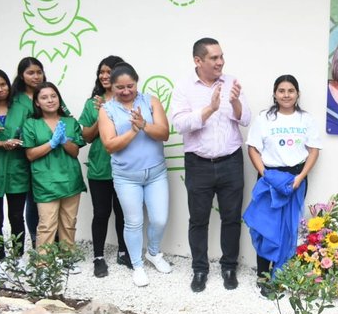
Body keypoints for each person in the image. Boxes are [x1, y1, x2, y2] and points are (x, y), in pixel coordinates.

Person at [170, 37, 251, 293]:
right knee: (198, 220)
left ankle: (229, 267)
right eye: (214, 58)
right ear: (198, 60)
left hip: (231, 162)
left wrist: (235, 102)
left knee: (231, 218)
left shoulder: (232, 81)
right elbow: (179, 124)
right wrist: (210, 109)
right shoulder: (184, 87)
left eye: (221, 56)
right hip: (198, 164)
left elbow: (246, 118)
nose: (220, 62)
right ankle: (200, 270)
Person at [243, 75, 322, 296]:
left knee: (288, 229)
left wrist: (301, 177)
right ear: (275, 94)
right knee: (266, 228)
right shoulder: (264, 119)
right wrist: (265, 175)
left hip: (295, 180)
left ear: (297, 94)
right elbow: (253, 149)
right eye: (281, 90)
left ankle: (280, 276)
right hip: (269, 180)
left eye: (290, 90)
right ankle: (263, 275)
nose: (286, 95)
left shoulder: (305, 120)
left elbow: (314, 150)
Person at [99, 63, 172, 287]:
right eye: (119, 87)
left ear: (136, 82)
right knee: (133, 222)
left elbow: (164, 133)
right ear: (112, 86)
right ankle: (137, 265)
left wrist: (144, 125)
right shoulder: (106, 110)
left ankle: (153, 252)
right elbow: (110, 145)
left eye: (130, 85)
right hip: (126, 176)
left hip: (156, 173)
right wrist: (132, 131)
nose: (125, 91)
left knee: (159, 219)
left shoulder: (150, 101)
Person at [22, 82, 86, 272]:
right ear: (37, 103)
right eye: (44, 97)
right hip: (45, 182)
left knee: (68, 223)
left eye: (53, 96)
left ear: (59, 98)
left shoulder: (70, 122)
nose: (50, 100)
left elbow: (74, 152)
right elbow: (30, 154)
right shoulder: (31, 124)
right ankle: (43, 264)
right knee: (47, 225)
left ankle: (67, 259)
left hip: (70, 180)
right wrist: (51, 143)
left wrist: (65, 140)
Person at [11, 57, 71, 248]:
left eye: (39, 71)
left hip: (52, 158)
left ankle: (56, 242)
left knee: (50, 201)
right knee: (33, 199)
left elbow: (65, 116)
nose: (36, 76)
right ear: (22, 75)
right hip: (25, 155)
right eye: (30, 73)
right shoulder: (15, 99)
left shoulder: (48, 92)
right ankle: (38, 241)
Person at [79, 55, 128, 278]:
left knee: (123, 213)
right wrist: (102, 115)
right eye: (101, 72)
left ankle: (123, 252)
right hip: (100, 168)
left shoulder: (128, 99)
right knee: (101, 213)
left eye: (109, 71)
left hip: (126, 166)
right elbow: (87, 137)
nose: (104, 76)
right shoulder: (93, 103)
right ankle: (98, 257)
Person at [0, 69, 26, 261]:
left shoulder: (20, 108)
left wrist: (19, 141)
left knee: (17, 216)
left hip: (16, 169)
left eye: (3, 84)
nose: (0, 89)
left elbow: (31, 135)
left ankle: (18, 257)